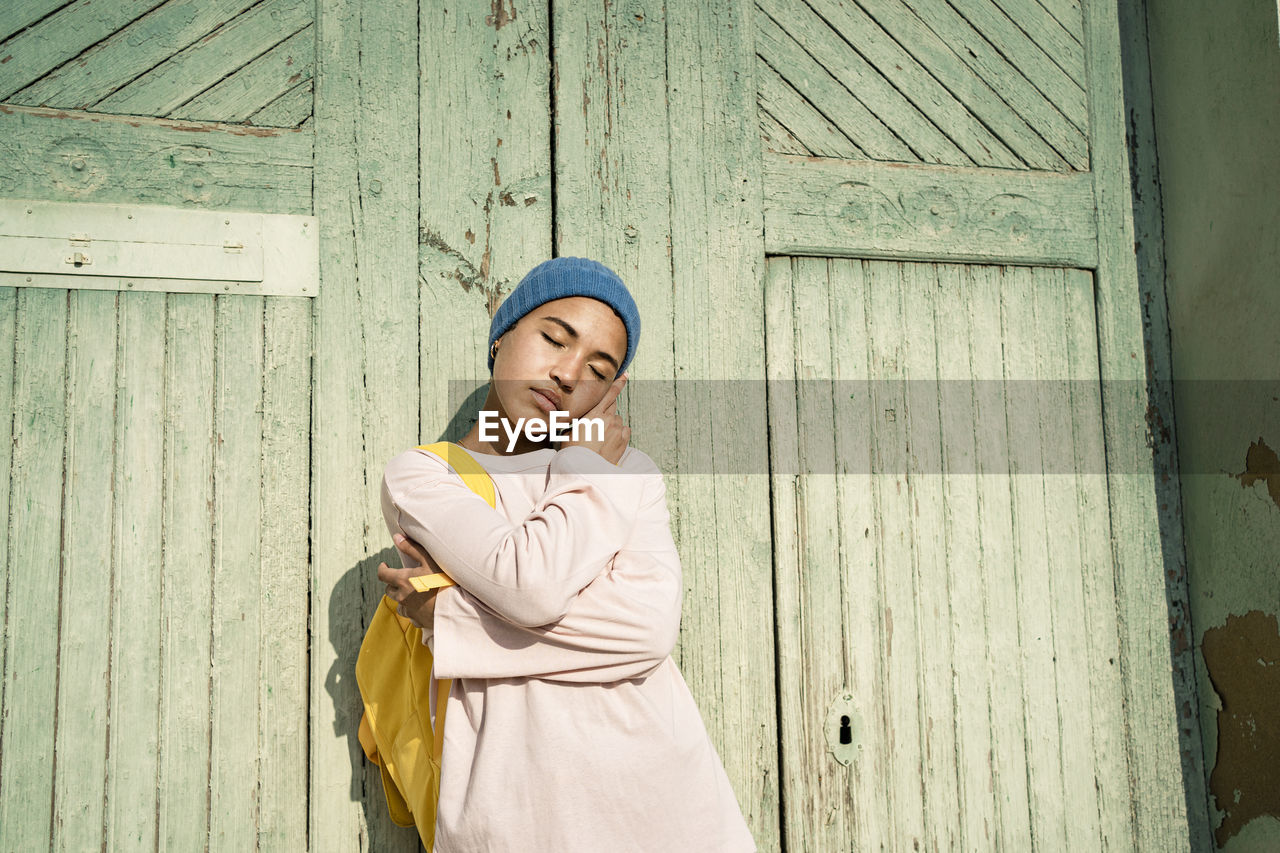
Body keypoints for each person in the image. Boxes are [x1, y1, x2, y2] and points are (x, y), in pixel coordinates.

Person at [376, 256, 757, 852]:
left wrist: (452, 620)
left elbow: (646, 632)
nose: (567, 373)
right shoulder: (426, 474)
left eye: (598, 369)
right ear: (502, 337)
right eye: (553, 338)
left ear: (613, 391)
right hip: (512, 816)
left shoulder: (631, 470)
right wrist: (587, 469)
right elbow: (532, 588)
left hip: (667, 808)